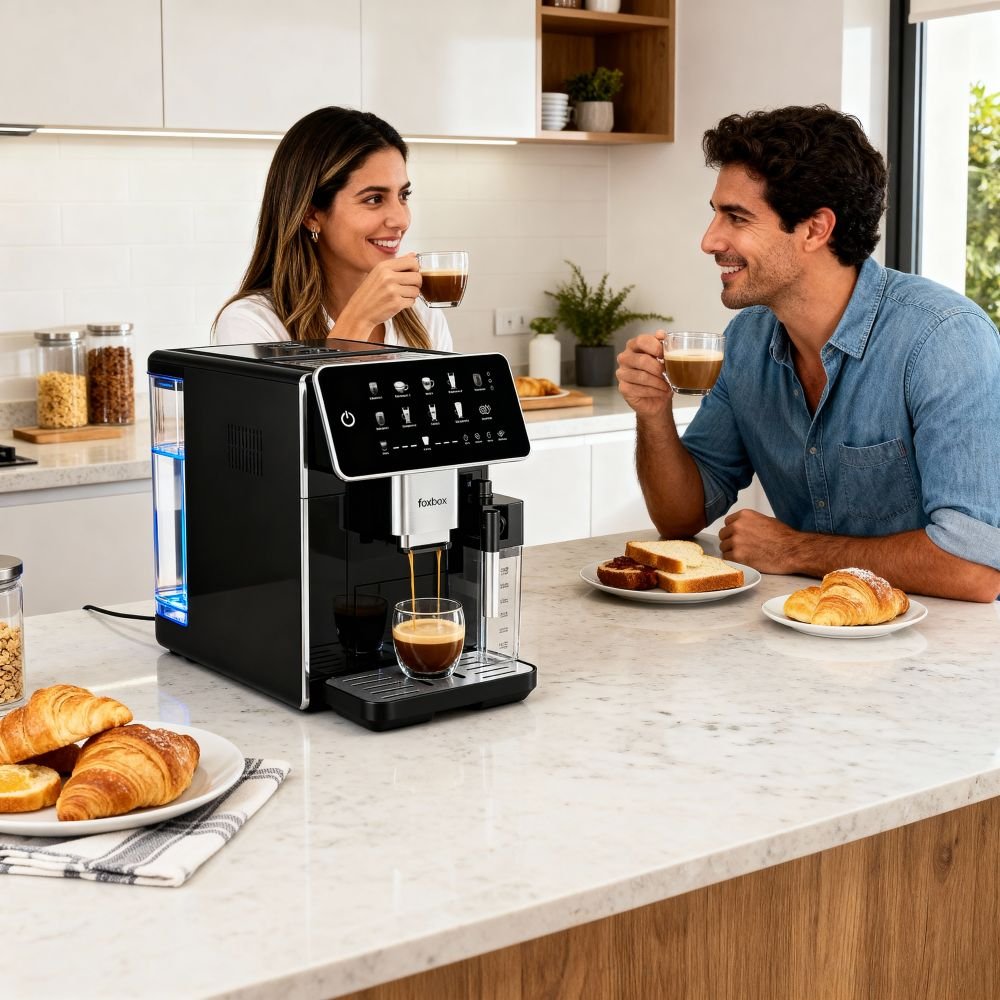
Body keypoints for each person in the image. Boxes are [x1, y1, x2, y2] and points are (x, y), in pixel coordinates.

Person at [616, 105, 1000, 602]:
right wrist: (653, 414)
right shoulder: (747, 342)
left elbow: (974, 567)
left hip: (944, 655)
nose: (709, 240)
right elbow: (681, 516)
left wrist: (797, 550)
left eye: (736, 217)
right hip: (807, 639)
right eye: (715, 214)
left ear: (816, 229)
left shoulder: (943, 340)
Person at [214, 106, 452, 351]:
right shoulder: (252, 323)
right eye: (374, 199)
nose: (400, 219)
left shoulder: (422, 316)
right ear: (311, 214)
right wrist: (359, 320)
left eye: (403, 195)